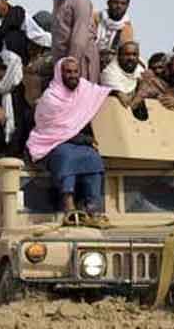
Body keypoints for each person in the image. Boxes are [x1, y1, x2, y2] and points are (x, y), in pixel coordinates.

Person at [27, 57, 111, 216]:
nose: (72, 75)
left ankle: (93, 204)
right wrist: (84, 139)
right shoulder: (50, 98)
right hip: (51, 142)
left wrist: (120, 93)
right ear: (59, 73)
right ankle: (68, 203)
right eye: (68, 72)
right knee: (66, 155)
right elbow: (56, 129)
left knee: (93, 156)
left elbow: (103, 92)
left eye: (75, 71)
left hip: (76, 141)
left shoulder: (84, 88)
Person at [46, 0, 101, 84]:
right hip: (62, 60)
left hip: (79, 60)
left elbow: (79, 37)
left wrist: (70, 65)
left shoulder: (80, 0)